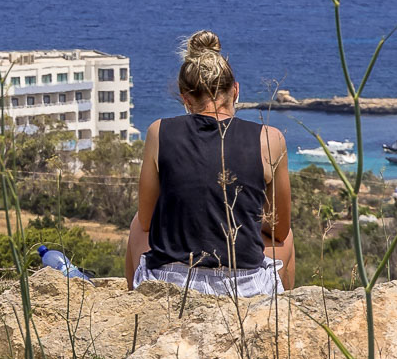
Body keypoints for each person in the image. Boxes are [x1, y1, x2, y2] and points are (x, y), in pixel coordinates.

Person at [126, 31, 295, 296]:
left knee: (137, 224)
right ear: (235, 90)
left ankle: (136, 306)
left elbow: (147, 220)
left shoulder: (158, 132)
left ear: (185, 97)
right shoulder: (270, 139)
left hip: (173, 283)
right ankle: (279, 318)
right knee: (287, 238)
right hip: (244, 287)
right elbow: (279, 228)